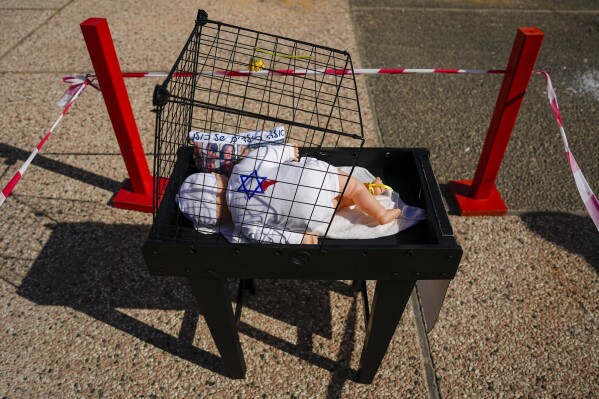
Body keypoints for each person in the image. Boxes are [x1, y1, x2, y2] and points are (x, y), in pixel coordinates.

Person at [177, 144, 400, 244]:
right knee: (352, 186)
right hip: (312, 178)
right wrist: (287, 150)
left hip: (310, 215)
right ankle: (379, 211)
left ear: (217, 219)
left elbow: (268, 237)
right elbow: (264, 154)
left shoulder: (242, 223)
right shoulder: (240, 169)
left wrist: (299, 238)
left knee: (336, 204)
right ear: (217, 177)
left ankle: (369, 194)